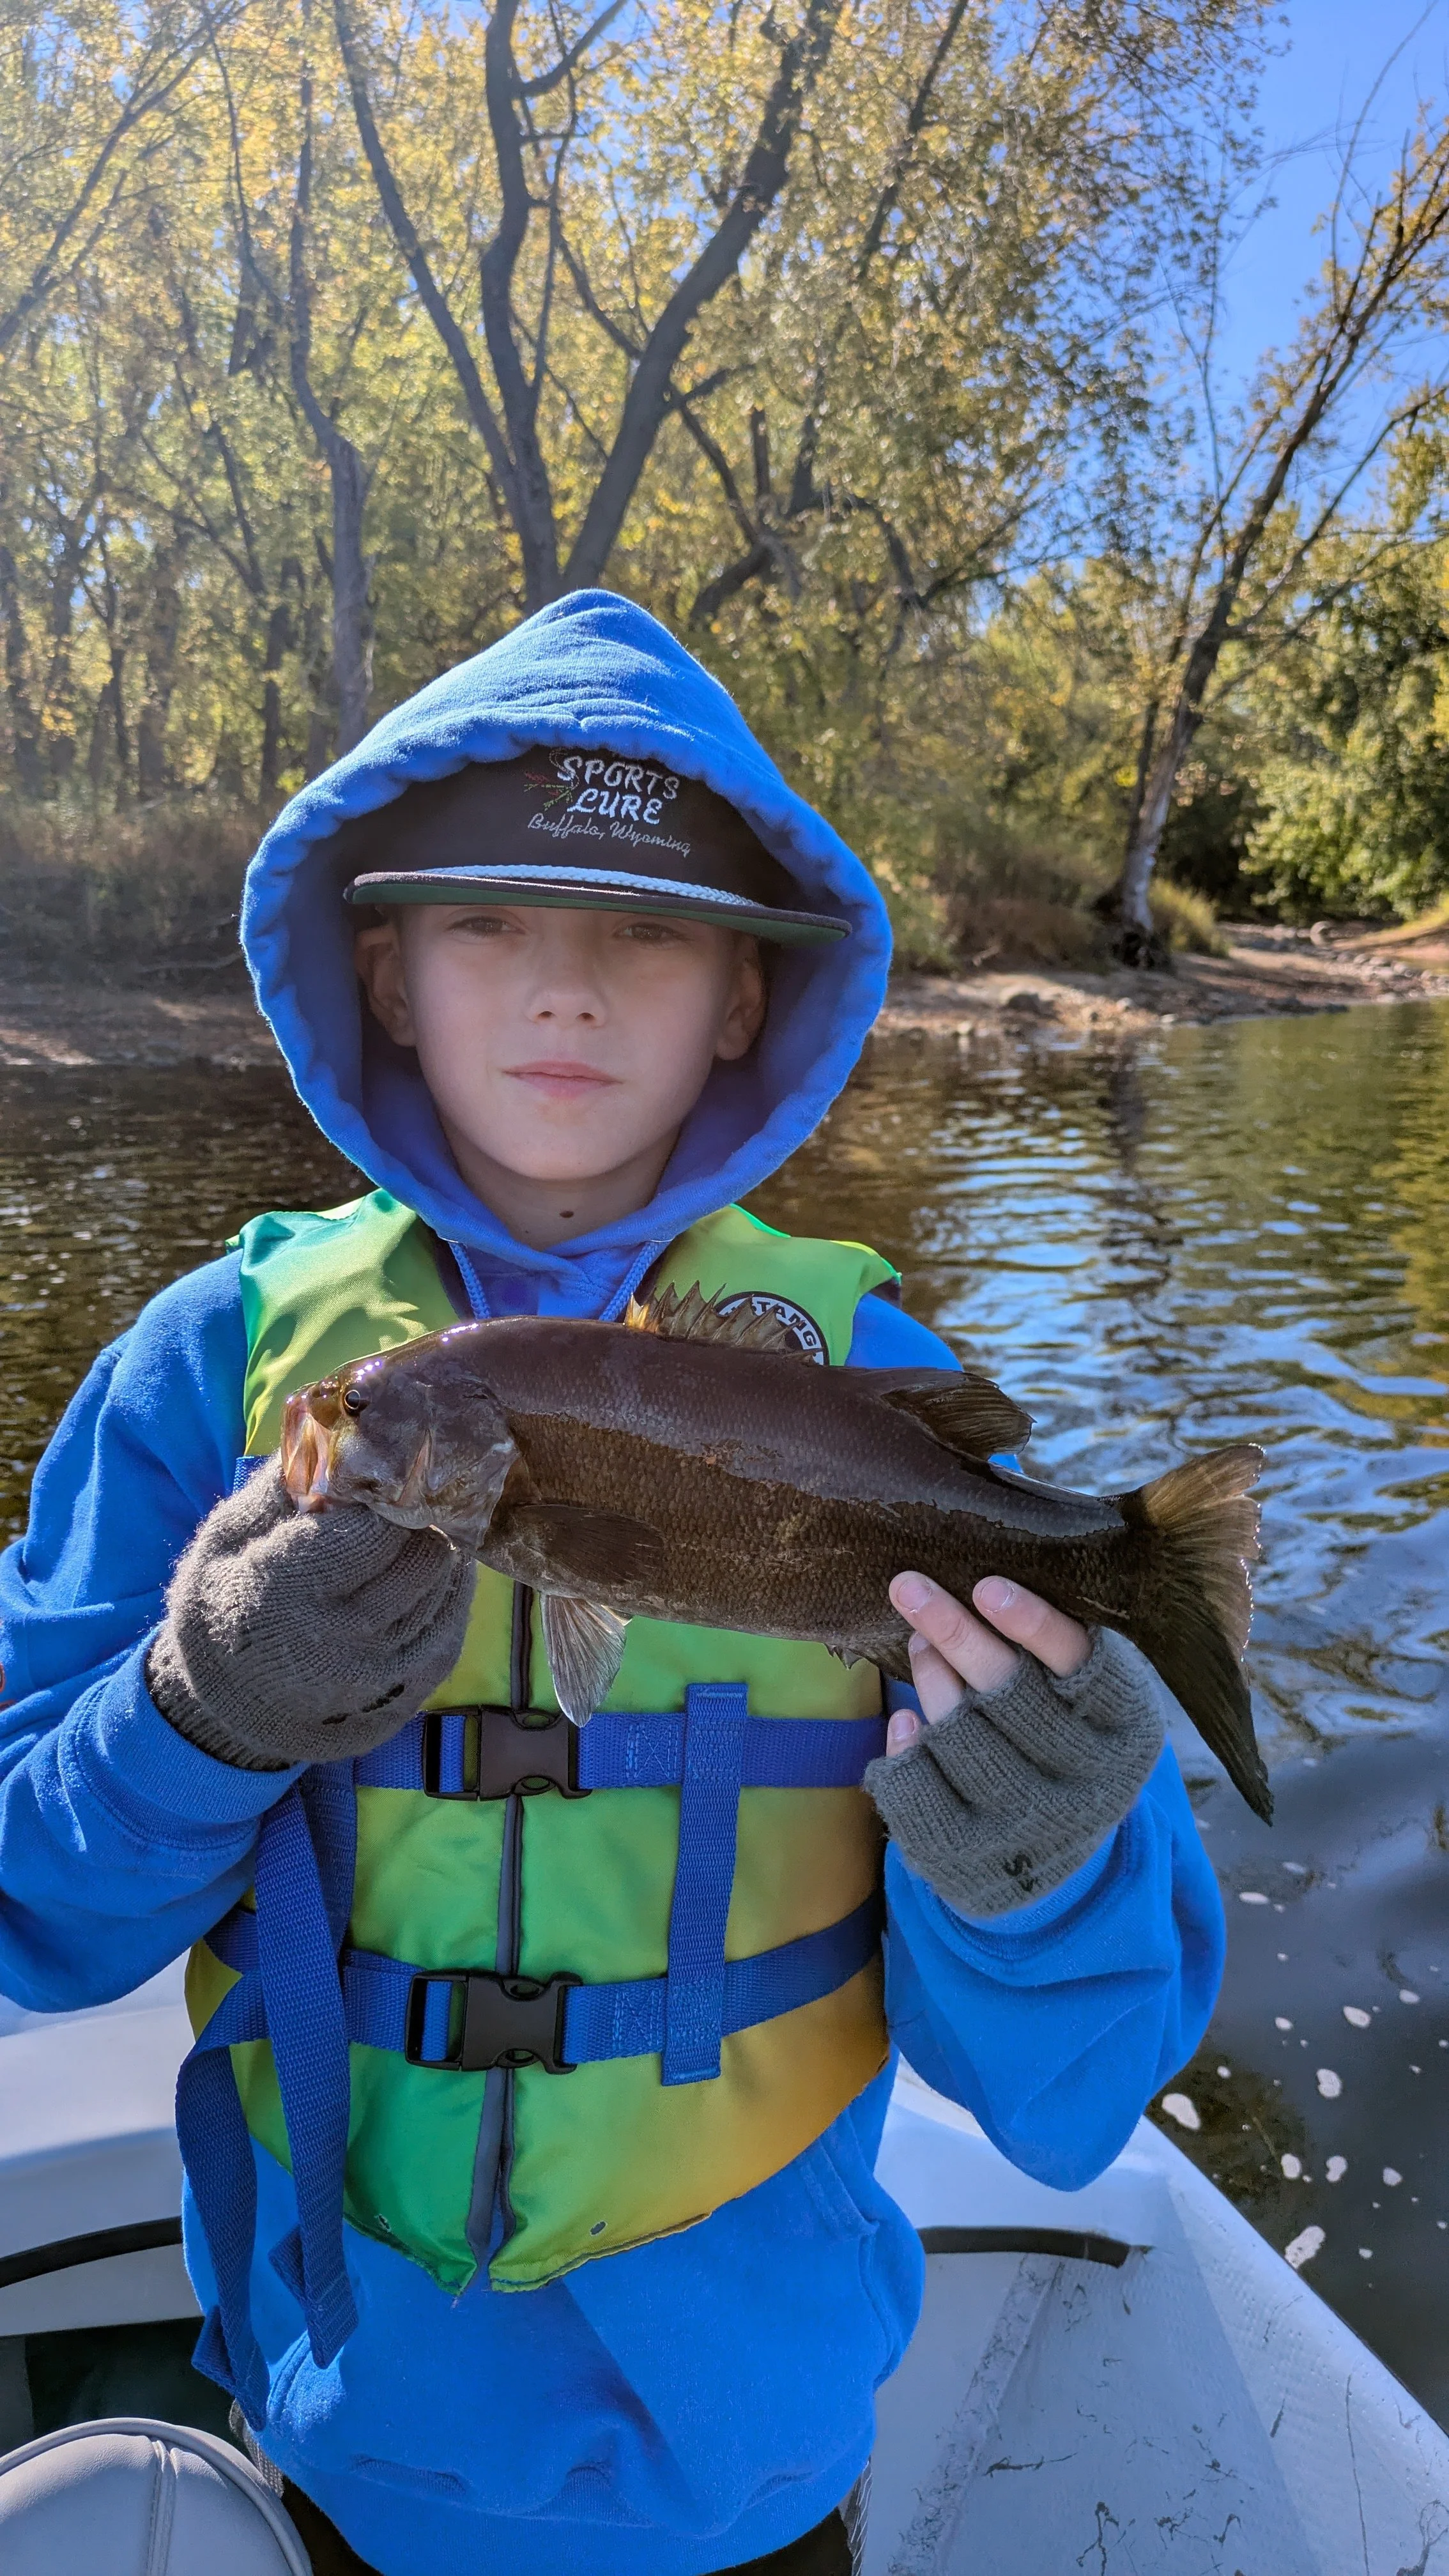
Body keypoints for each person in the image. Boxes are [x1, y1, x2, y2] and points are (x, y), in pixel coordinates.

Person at [0, 592, 1223, 2576]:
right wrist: (193, 1712)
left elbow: (1069, 2093)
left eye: (645, 928)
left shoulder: (883, 1392)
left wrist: (1045, 1852)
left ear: (743, 997)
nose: (563, 987)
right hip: (344, 2421)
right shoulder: (208, 1374)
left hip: (746, 2471)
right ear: (382, 971)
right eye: (489, 922)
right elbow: (25, 1921)